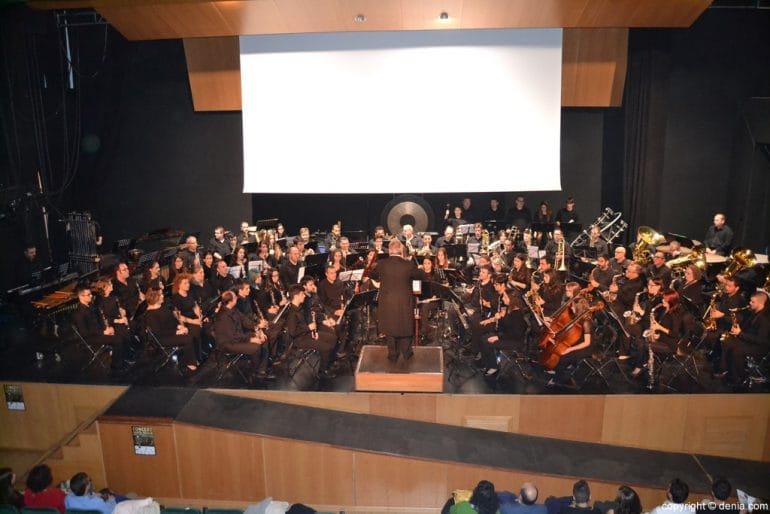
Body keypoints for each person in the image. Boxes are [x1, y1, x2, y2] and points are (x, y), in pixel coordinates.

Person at [368, 239, 422, 362]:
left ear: (390, 251)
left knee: (389, 325)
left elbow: (372, 274)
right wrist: (418, 267)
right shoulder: (408, 265)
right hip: (404, 301)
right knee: (405, 324)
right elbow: (420, 276)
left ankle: (392, 354)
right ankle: (407, 353)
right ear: (401, 250)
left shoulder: (382, 264)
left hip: (387, 301)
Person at [213, 290, 273, 380]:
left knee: (263, 339)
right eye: (235, 297)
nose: (237, 298)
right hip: (229, 344)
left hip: (238, 338)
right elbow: (232, 336)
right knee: (256, 347)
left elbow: (245, 320)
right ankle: (254, 371)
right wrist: (250, 339)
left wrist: (257, 328)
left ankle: (261, 370)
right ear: (230, 301)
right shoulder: (223, 317)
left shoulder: (234, 309)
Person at [72, 285, 133, 372]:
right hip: (92, 337)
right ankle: (116, 367)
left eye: (91, 294)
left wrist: (108, 327)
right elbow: (85, 332)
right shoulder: (78, 314)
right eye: (88, 295)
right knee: (117, 340)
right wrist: (103, 332)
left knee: (121, 331)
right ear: (81, 296)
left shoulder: (92, 306)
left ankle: (123, 359)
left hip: (101, 331)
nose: (91, 296)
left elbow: (100, 320)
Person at [716, 291, 769, 384]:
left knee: (737, 351)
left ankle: (740, 378)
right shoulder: (754, 312)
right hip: (749, 341)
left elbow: (761, 340)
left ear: (761, 304)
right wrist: (738, 329)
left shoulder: (764, 319)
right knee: (726, 341)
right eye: (750, 301)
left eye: (752, 302)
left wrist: (740, 333)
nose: (749, 303)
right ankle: (724, 369)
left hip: (759, 348)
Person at [285, 284, 337, 376]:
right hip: (300, 340)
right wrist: (308, 328)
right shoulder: (292, 314)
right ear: (296, 296)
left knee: (333, 338)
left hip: (308, 334)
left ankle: (329, 364)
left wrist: (314, 332)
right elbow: (293, 333)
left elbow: (307, 321)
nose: (304, 296)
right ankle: (322, 371)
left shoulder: (301, 307)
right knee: (326, 347)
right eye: (302, 294)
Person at [631, 290, 684, 376]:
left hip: (669, 345)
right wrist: (656, 332)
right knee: (640, 340)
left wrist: (659, 328)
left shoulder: (675, 315)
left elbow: (675, 334)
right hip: (662, 339)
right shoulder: (664, 310)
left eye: (664, 300)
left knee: (643, 344)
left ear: (671, 301)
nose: (662, 301)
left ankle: (639, 366)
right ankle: (645, 363)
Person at [143, 288, 198, 372]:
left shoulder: (163, 307)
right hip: (163, 338)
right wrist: (177, 332)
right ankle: (190, 364)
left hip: (172, 333)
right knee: (188, 338)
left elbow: (172, 320)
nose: (163, 296)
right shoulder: (150, 314)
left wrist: (180, 327)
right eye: (160, 295)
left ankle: (195, 358)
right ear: (154, 297)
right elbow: (158, 332)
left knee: (194, 331)